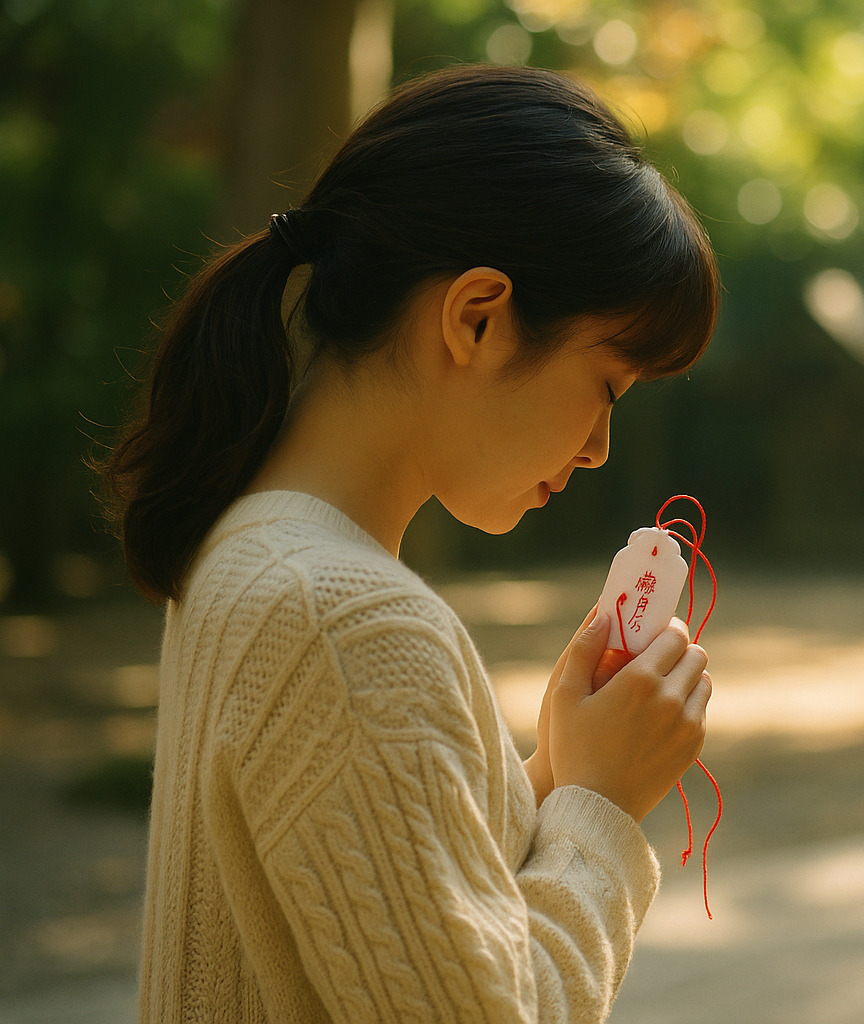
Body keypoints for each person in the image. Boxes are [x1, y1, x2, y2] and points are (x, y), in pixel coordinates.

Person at [95, 64, 719, 1023]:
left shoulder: (257, 549)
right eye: (607, 387)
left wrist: (556, 773)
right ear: (477, 318)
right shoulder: (344, 619)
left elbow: (388, 909)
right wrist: (600, 808)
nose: (599, 447)